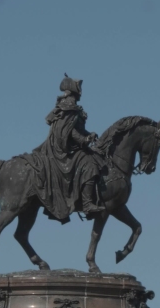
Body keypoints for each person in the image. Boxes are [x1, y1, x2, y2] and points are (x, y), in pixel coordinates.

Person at [20, 74, 105, 223]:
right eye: (78, 90)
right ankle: (86, 203)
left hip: (70, 145)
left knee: (95, 157)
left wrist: (89, 135)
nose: (80, 94)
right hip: (61, 149)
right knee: (90, 164)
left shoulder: (70, 108)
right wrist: (84, 140)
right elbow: (68, 132)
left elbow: (75, 129)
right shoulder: (68, 108)